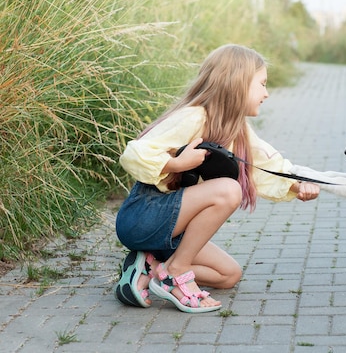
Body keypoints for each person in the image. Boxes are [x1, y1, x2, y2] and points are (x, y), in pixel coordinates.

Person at [114, 44, 319, 313]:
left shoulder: (237, 130)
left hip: (172, 231)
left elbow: (266, 164)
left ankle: (150, 270)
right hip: (143, 218)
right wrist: (175, 163)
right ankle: (176, 270)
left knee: (229, 275)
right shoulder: (194, 117)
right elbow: (134, 153)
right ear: (237, 84)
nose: (266, 94)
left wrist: (295, 184)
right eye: (262, 84)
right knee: (228, 190)